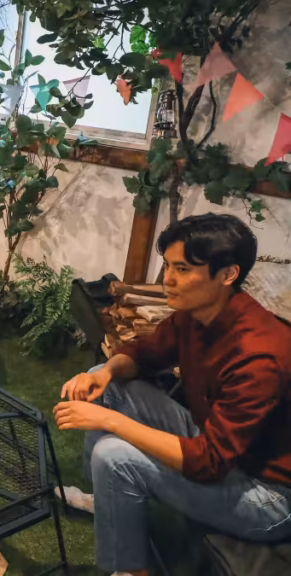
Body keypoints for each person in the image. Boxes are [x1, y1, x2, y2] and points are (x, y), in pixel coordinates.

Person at [53, 213, 291, 576]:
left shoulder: (258, 356)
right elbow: (146, 354)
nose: (168, 280)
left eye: (182, 269)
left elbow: (209, 461)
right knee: (102, 383)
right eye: (167, 266)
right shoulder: (197, 314)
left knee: (115, 454)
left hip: (269, 497)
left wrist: (110, 421)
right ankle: (109, 504)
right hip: (219, 446)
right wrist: (107, 372)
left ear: (227, 274)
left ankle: (129, 569)